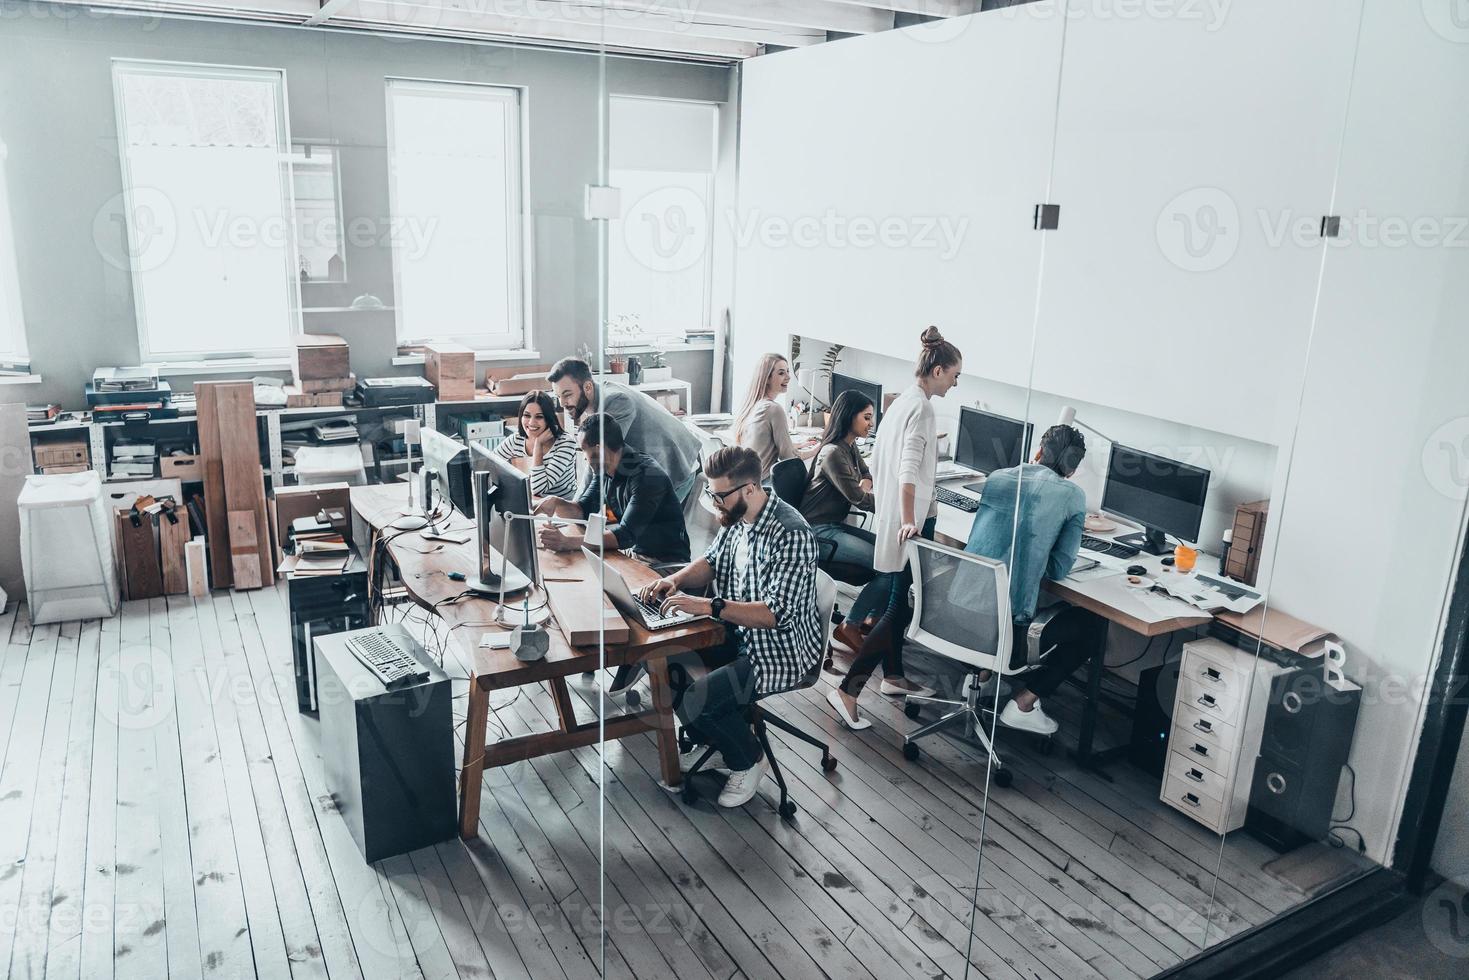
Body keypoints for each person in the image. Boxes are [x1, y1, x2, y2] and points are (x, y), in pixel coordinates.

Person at [639, 446, 823, 808]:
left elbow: (775, 614)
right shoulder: (737, 519)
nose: (713, 502)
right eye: (711, 493)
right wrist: (674, 581)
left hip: (780, 649)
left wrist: (708, 605)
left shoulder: (791, 533)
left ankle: (747, 759)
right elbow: (712, 560)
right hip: (735, 632)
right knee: (664, 658)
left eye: (719, 495)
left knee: (699, 700)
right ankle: (717, 739)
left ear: (750, 489)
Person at [827, 326, 963, 730]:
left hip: (895, 515)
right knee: (897, 608)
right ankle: (849, 690)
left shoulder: (903, 401)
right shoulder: (922, 408)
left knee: (897, 603)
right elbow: (907, 472)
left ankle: (893, 677)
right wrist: (910, 520)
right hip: (908, 522)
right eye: (955, 375)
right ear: (938, 370)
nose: (956, 383)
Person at [964, 423, 1090, 735]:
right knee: (1090, 628)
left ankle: (979, 675)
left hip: (958, 616)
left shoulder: (998, 477)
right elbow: (1058, 570)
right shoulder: (1073, 497)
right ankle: (1024, 703)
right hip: (1006, 631)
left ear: (1037, 453)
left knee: (993, 595)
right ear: (1072, 470)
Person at [534, 413, 691, 565]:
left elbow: (624, 536)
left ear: (600, 449)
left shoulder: (647, 477)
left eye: (583, 450)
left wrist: (567, 542)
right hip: (635, 555)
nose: (583, 457)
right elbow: (583, 510)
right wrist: (556, 503)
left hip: (663, 564)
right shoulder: (604, 469)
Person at [547, 357, 703, 501]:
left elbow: (599, 458)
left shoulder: (617, 401)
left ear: (587, 387)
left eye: (567, 394)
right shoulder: (597, 400)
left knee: (651, 529)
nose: (562, 403)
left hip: (675, 468)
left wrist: (576, 505)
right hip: (651, 469)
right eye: (558, 396)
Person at [798, 389, 877, 572]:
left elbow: (866, 473)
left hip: (834, 525)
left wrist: (864, 485)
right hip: (819, 532)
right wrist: (897, 510)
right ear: (849, 417)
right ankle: (867, 602)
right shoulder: (833, 453)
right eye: (867, 418)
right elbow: (860, 500)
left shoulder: (849, 445)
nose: (871, 423)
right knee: (884, 564)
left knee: (890, 555)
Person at [732, 352, 818, 479]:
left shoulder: (752, 405)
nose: (788, 377)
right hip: (763, 485)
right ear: (767, 378)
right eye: (781, 373)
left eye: (788, 371)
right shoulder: (774, 409)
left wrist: (795, 445)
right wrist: (817, 449)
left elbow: (762, 445)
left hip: (746, 482)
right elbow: (788, 458)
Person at [494, 390, 578, 499]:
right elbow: (489, 464)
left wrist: (538, 445)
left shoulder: (566, 443)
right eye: (527, 415)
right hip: (530, 504)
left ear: (549, 418)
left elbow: (538, 489)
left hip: (562, 508)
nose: (531, 422)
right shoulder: (516, 440)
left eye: (539, 417)